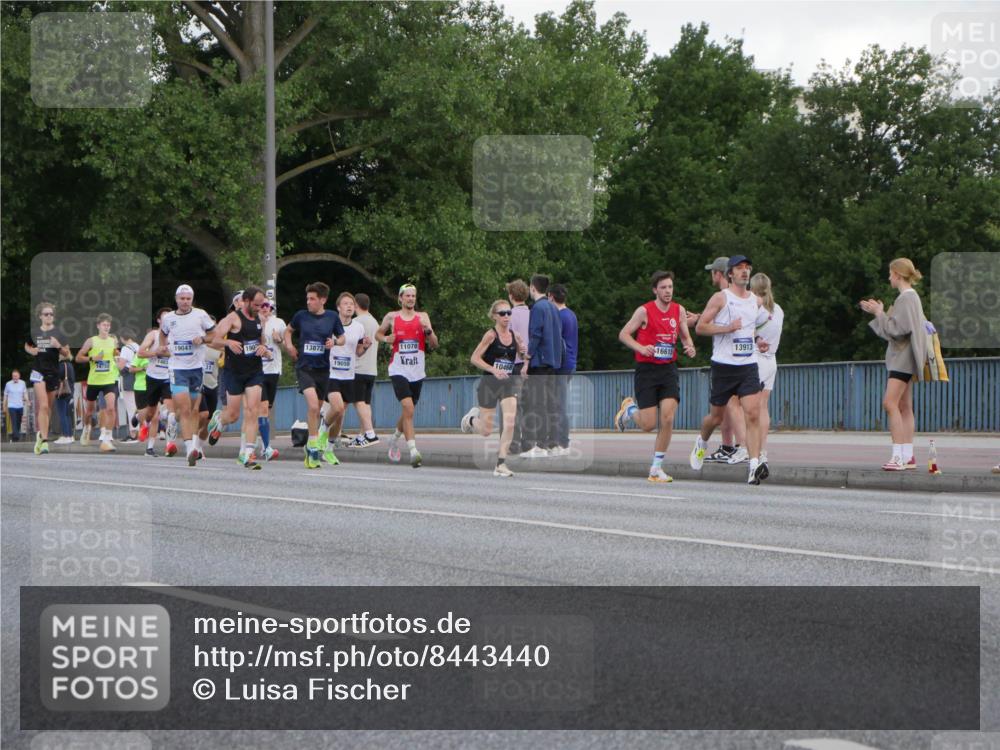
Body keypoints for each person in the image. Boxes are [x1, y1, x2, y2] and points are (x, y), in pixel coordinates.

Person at [690, 255, 771, 485]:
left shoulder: (755, 301)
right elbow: (701, 327)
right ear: (730, 274)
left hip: (747, 365)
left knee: (753, 413)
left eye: (747, 268)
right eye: (739, 268)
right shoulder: (720, 298)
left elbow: (746, 330)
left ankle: (753, 465)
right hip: (724, 367)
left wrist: (758, 340)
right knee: (715, 417)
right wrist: (727, 328)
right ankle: (702, 442)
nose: (744, 272)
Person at [614, 271, 697, 482]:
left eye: (670, 287)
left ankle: (656, 468)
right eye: (663, 288)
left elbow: (686, 337)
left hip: (668, 369)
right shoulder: (644, 311)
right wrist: (640, 348)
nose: (668, 291)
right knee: (648, 425)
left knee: (668, 417)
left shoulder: (679, 310)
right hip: (647, 371)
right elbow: (623, 334)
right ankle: (629, 409)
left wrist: (690, 347)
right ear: (655, 290)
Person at [860, 258, 928, 471]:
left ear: (898, 275)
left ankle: (898, 456)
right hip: (909, 357)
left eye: (890, 274)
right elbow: (900, 327)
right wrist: (881, 313)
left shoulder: (905, 298)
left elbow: (897, 331)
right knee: (905, 407)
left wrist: (879, 314)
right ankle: (907, 456)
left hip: (902, 358)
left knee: (890, 404)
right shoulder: (912, 298)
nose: (889, 277)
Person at [460, 300, 527, 477]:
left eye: (509, 313)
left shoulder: (515, 336)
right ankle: (471, 420)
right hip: (489, 384)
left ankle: (501, 464)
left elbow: (521, 356)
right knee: (486, 431)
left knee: (510, 422)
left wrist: (523, 352)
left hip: (507, 383)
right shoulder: (490, 336)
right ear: (495, 316)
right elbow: (474, 358)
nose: (506, 316)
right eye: (502, 313)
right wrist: (492, 369)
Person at [284, 282, 346, 469]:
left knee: (322, 408)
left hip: (323, 370)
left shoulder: (332, 317)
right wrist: (289, 345)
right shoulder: (301, 316)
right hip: (304, 367)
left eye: (312, 299)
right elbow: (288, 330)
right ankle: (312, 448)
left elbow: (342, 338)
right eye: (308, 298)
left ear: (323, 300)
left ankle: (317, 438)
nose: (308, 302)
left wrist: (334, 341)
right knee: (312, 405)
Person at [377, 283, 438, 468]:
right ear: (401, 298)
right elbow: (378, 334)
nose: (411, 299)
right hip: (398, 370)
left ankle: (394, 439)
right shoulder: (392, 317)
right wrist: (387, 338)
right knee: (409, 408)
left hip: (417, 372)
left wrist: (428, 332)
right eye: (407, 296)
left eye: (413, 296)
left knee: (408, 411)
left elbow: (434, 344)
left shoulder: (423, 317)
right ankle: (413, 451)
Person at [207, 287, 269, 469]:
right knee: (233, 416)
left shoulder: (260, 319)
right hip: (233, 372)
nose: (259, 308)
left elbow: (261, 342)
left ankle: (248, 453)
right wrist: (228, 342)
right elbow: (213, 339)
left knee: (252, 410)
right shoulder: (232, 318)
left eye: (262, 305)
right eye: (257, 305)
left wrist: (264, 349)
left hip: (254, 371)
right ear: (246, 301)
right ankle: (220, 421)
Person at [695, 257, 748, 464]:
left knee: (729, 405)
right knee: (730, 406)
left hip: (728, 361)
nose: (712, 276)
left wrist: (702, 323)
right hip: (740, 359)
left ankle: (735, 446)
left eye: (713, 272)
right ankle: (731, 446)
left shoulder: (723, 296)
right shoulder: (736, 296)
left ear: (719, 273)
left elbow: (723, 324)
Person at [159, 284, 215, 467]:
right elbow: (163, 334)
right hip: (177, 368)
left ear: (192, 299)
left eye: (188, 298)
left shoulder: (200, 314)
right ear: (176, 299)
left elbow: (213, 334)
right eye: (182, 298)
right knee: (184, 408)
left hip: (197, 368)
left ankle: (175, 424)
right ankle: (190, 448)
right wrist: (163, 346)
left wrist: (203, 339)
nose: (185, 302)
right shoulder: (169, 318)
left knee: (194, 410)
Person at [321, 292, 372, 464]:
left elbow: (357, 353)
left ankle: (328, 448)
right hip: (331, 373)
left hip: (348, 376)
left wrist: (364, 347)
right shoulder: (329, 324)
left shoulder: (358, 327)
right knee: (337, 408)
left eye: (352, 304)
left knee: (340, 416)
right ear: (338, 308)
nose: (349, 306)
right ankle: (321, 432)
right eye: (345, 303)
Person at [521, 274, 562, 457]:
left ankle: (540, 443)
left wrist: (527, 357)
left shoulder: (537, 308)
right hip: (553, 361)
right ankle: (553, 443)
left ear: (532, 287)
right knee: (551, 403)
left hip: (540, 362)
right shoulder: (553, 307)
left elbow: (536, 334)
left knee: (538, 403)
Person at [25, 302, 70, 454]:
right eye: (46, 314)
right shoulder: (35, 332)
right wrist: (32, 351)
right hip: (38, 371)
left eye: (51, 314)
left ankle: (40, 435)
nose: (49, 316)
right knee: (43, 406)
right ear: (40, 316)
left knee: (48, 408)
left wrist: (58, 345)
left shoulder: (59, 333)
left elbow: (68, 354)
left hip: (53, 373)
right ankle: (44, 441)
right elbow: (27, 346)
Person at [750, 273, 784, 466]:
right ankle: (762, 451)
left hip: (756, 358)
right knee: (763, 407)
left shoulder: (755, 307)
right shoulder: (778, 310)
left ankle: (749, 449)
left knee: (744, 406)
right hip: (772, 360)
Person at [75, 313, 121, 453]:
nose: (106, 327)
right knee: (89, 412)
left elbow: (115, 354)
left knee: (111, 408)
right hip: (94, 381)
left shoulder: (113, 340)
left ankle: (106, 439)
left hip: (109, 380)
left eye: (108, 325)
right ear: (98, 326)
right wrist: (92, 358)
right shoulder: (91, 341)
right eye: (104, 325)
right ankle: (87, 428)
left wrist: (117, 358)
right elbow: (78, 358)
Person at [137, 310, 175, 457]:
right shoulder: (152, 335)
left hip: (168, 377)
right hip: (153, 377)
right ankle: (144, 425)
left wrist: (168, 353)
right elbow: (140, 353)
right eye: (164, 318)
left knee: (171, 413)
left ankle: (169, 445)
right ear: (159, 321)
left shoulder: (175, 335)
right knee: (152, 413)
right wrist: (156, 352)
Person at [347, 292, 379, 447]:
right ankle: (362, 435)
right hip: (371, 369)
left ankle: (369, 433)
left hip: (358, 368)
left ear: (356, 305)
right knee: (366, 404)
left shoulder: (356, 322)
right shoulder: (375, 322)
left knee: (358, 402)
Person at [549, 283, 577, 456]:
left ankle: (563, 443)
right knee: (559, 403)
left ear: (551, 296)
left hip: (561, 365)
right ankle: (559, 441)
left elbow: (555, 342)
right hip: (570, 363)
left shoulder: (558, 316)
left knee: (558, 405)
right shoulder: (571, 314)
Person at [257, 298, 285, 460]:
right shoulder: (253, 321)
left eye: (268, 306)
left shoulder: (278, 322)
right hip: (257, 371)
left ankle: (262, 445)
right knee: (261, 409)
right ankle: (266, 447)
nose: (265, 309)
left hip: (273, 369)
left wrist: (277, 338)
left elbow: (282, 342)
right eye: (262, 306)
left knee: (266, 409)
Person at [505, 279, 531, 455]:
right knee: (530, 405)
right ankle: (529, 443)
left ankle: (514, 444)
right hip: (532, 364)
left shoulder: (509, 316)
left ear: (511, 296)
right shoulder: (533, 314)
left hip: (516, 365)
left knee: (514, 407)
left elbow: (508, 340)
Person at [197, 318, 221, 456]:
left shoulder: (220, 348)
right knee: (202, 414)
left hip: (212, 384)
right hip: (198, 385)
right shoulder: (197, 346)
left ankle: (199, 447)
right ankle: (193, 444)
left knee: (208, 420)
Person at [116, 328, 141, 442]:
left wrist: (116, 361)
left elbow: (121, 366)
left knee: (131, 407)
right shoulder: (138, 346)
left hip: (129, 378)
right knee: (138, 406)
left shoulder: (126, 348)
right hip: (140, 378)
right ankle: (141, 432)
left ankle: (133, 434)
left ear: (122, 338)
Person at [54, 354, 75, 444]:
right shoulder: (70, 365)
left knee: (62, 415)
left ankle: (65, 436)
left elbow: (57, 378)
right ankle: (70, 436)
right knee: (68, 415)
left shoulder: (61, 365)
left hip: (62, 393)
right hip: (70, 391)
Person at [3, 370, 28, 443]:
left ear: (19, 376)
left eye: (16, 376)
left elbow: (25, 393)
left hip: (20, 405)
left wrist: (27, 400)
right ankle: (17, 436)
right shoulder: (8, 384)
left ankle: (14, 437)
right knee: (14, 421)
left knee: (18, 422)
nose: (15, 377)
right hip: (11, 406)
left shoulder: (23, 383)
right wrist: (4, 406)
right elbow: (5, 396)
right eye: (13, 376)